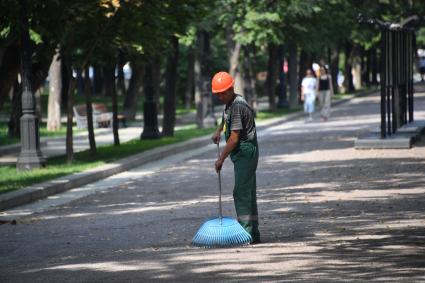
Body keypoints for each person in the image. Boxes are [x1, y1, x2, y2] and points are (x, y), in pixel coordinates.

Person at [211, 71, 261, 244]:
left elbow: (234, 138)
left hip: (245, 151)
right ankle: (253, 234)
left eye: (223, 92)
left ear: (231, 88)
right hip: (242, 152)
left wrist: (221, 159)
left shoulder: (238, 106)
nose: (220, 96)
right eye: (218, 94)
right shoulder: (230, 103)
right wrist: (218, 130)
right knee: (248, 191)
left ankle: (245, 233)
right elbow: (225, 118)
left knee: (241, 192)